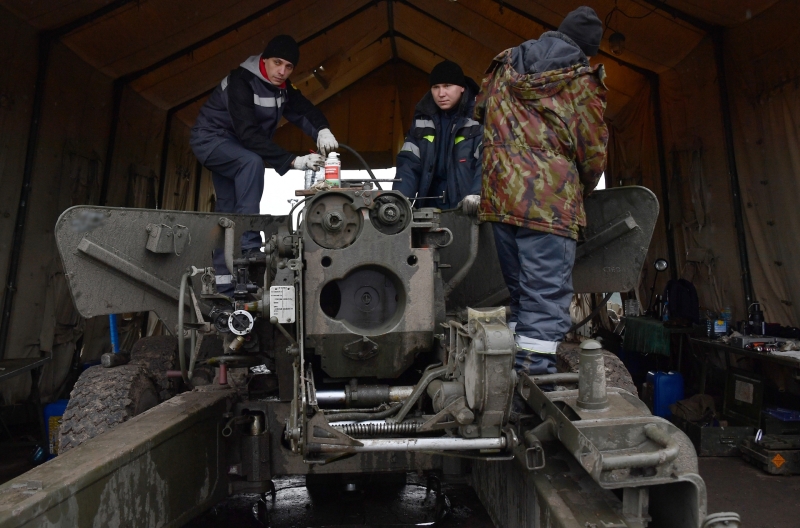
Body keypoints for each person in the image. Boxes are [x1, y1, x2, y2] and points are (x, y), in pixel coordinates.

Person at [473, 7, 609, 376]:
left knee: (519, 298)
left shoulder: (504, 65)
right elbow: (593, 152)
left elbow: (480, 112)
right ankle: (530, 393)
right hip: (550, 206)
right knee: (545, 301)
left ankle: (505, 383)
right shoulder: (581, 82)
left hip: (501, 199)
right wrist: (580, 185)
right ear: (587, 51)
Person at [190, 35, 338, 293]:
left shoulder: (282, 88)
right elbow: (248, 134)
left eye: (289, 67)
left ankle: (225, 287)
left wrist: (322, 131)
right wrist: (294, 161)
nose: (282, 71)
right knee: (251, 163)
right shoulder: (241, 81)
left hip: (235, 146)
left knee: (226, 209)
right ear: (265, 59)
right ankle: (249, 247)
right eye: (277, 63)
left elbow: (304, 110)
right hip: (211, 140)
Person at [393, 60, 482, 210]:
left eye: (447, 86)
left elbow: (488, 161)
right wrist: (398, 203)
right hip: (430, 210)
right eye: (436, 87)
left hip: (469, 209)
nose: (441, 93)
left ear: (461, 87)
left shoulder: (480, 117)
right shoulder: (422, 120)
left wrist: (478, 193)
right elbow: (408, 165)